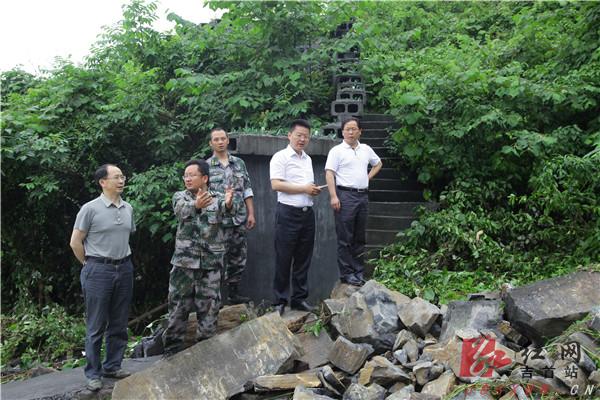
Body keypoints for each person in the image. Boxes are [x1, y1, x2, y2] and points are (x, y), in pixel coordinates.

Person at [70, 164, 135, 392]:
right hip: (98, 269)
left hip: (124, 267)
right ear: (102, 182)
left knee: (119, 322)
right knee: (96, 325)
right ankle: (93, 373)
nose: (121, 180)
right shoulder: (90, 209)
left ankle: (112, 366)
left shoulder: (128, 208)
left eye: (122, 176)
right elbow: (75, 242)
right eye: (116, 177)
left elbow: (126, 237)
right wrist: (88, 265)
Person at [162, 159, 236, 356]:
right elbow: (180, 211)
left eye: (192, 175)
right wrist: (196, 204)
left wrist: (229, 203)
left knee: (210, 309)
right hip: (184, 265)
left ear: (204, 178)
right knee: (178, 308)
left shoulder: (218, 197)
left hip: (211, 264)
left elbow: (228, 209)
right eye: (185, 175)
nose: (187, 179)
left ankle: (205, 354)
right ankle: (171, 353)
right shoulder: (180, 196)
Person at [269, 119, 322, 316]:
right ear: (289, 135)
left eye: (306, 136)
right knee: (284, 258)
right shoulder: (280, 157)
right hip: (287, 213)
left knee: (303, 258)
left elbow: (305, 186)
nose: (302, 139)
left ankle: (299, 299)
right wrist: (304, 188)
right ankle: (279, 300)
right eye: (298, 135)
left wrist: (312, 190)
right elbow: (276, 185)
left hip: (307, 214)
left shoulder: (307, 159)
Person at [325, 117, 382, 286]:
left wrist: (367, 177)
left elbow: (378, 164)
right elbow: (329, 173)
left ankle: (358, 272)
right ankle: (346, 273)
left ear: (360, 131)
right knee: (345, 237)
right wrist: (333, 196)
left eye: (353, 129)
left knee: (359, 236)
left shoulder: (365, 149)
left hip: (363, 196)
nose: (350, 132)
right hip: (345, 196)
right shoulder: (337, 151)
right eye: (347, 129)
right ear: (342, 132)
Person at [207, 128, 255, 304]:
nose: (220, 142)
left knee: (238, 257)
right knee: (217, 260)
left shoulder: (239, 163)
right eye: (216, 139)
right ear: (211, 143)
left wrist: (251, 213)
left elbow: (247, 189)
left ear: (228, 141)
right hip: (218, 222)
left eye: (223, 139)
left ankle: (234, 295)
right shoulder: (206, 166)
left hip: (238, 219)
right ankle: (215, 299)